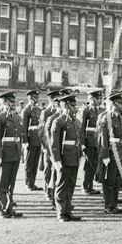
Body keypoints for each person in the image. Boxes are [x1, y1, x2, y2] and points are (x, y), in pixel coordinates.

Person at [50, 94, 83, 222]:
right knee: (61, 186)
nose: (75, 108)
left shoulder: (74, 121)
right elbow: (54, 144)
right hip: (64, 158)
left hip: (74, 157)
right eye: (72, 105)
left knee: (71, 185)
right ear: (66, 106)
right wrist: (56, 160)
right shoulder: (58, 121)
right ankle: (61, 212)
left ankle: (68, 211)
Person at [0, 91, 23, 219]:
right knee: (1, 184)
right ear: (4, 103)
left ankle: (9, 208)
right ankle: (0, 209)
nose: (13, 104)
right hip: (4, 154)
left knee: (11, 184)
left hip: (15, 154)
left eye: (14, 102)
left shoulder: (16, 117)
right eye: (11, 102)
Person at [97, 92, 122, 214]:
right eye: (119, 103)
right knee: (109, 180)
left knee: (116, 180)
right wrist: (105, 155)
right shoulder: (106, 118)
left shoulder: (120, 118)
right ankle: (108, 206)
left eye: (121, 102)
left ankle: (114, 205)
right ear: (112, 103)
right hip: (110, 152)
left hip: (118, 152)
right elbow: (103, 138)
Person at [38, 89, 63, 204]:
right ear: (51, 100)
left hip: (57, 147)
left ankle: (55, 193)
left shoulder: (61, 113)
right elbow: (42, 132)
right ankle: (47, 191)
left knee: (55, 171)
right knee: (48, 169)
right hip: (48, 147)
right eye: (55, 99)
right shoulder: (46, 113)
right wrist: (46, 148)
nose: (56, 102)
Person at [80, 89, 102, 195]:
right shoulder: (86, 110)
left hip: (97, 142)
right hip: (89, 142)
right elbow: (82, 128)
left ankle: (90, 186)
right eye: (98, 98)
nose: (100, 100)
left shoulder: (100, 110)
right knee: (88, 165)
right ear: (91, 99)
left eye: (101, 98)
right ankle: (85, 186)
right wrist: (82, 143)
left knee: (94, 164)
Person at [21, 89, 43, 191]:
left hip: (37, 139)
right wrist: (25, 141)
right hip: (30, 139)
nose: (36, 99)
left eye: (37, 97)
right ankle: (28, 183)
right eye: (34, 97)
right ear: (29, 98)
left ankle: (32, 182)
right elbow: (24, 127)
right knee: (29, 163)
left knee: (35, 163)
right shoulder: (26, 110)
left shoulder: (38, 110)